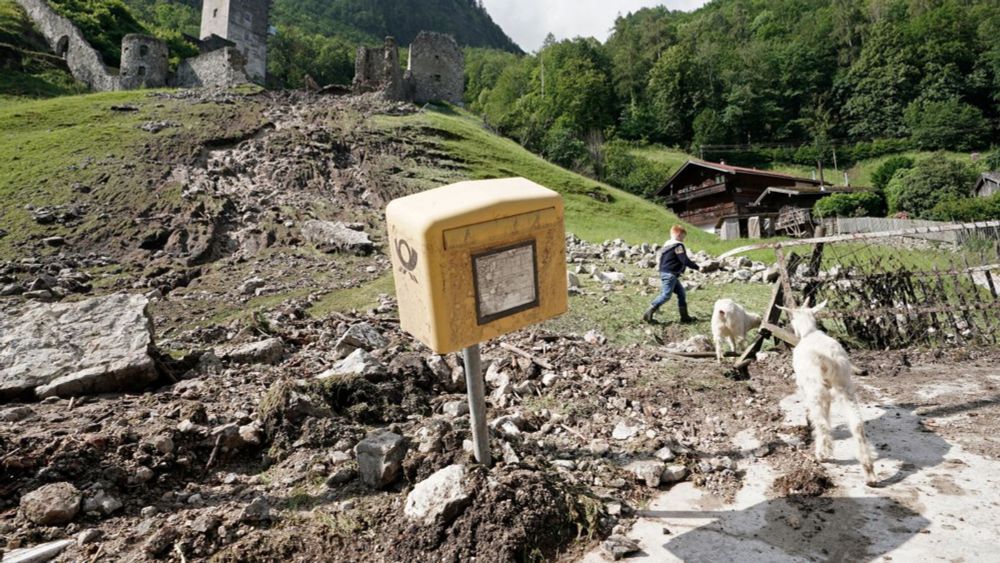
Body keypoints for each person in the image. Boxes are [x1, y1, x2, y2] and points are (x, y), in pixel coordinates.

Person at [644, 224, 700, 324]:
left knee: (681, 293)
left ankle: (685, 317)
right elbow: (684, 259)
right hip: (670, 275)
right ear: (678, 234)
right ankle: (649, 312)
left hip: (667, 273)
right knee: (666, 295)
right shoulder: (678, 246)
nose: (683, 239)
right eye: (683, 236)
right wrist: (698, 267)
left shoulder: (667, 246)